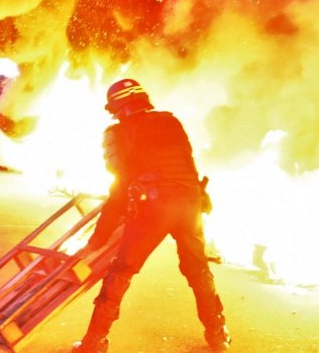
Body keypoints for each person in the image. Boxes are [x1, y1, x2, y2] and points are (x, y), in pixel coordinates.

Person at [72, 79, 230, 353]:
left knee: (121, 271)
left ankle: (93, 342)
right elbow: (188, 164)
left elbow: (121, 187)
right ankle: (218, 336)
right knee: (198, 271)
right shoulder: (171, 122)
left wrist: (97, 239)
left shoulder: (118, 133)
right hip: (189, 203)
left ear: (118, 108)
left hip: (154, 209)